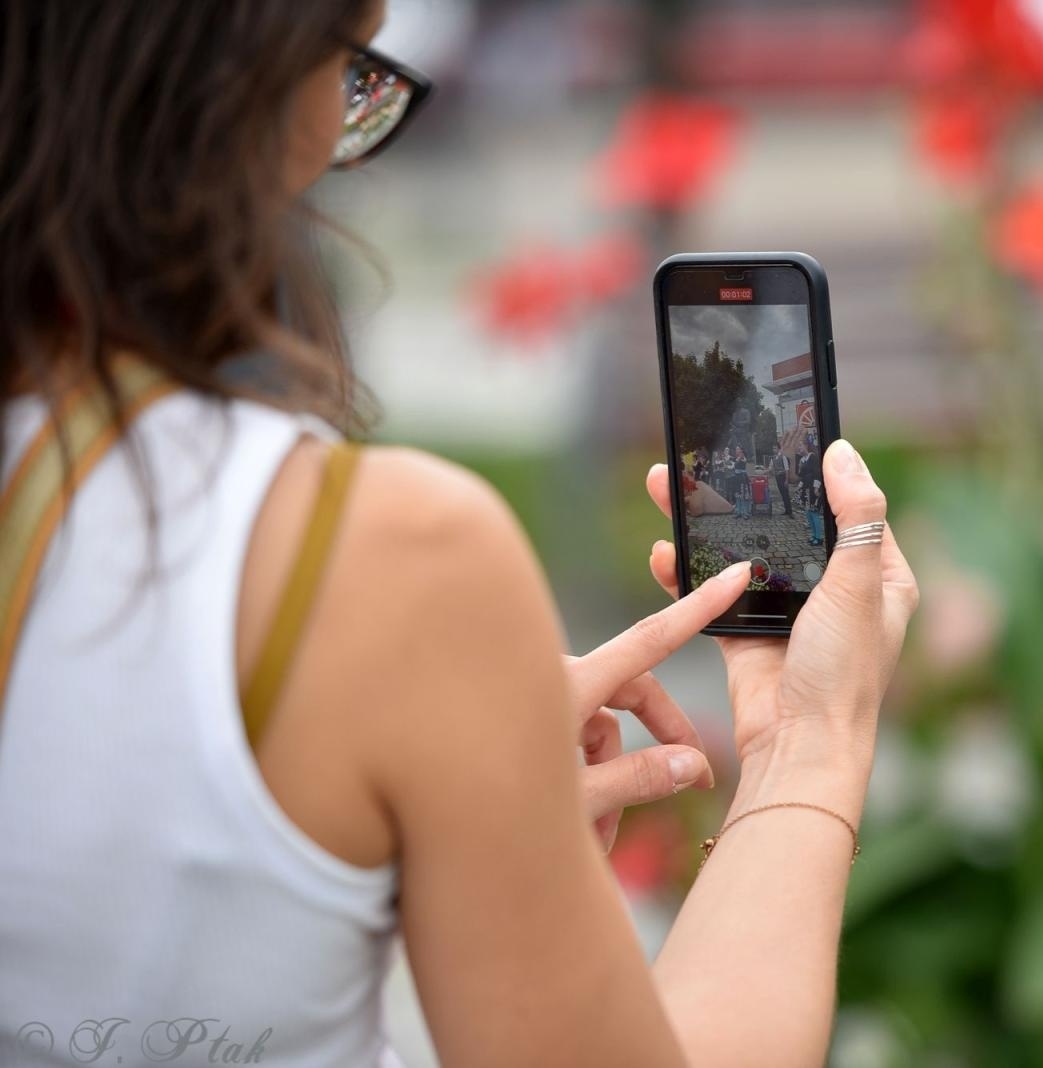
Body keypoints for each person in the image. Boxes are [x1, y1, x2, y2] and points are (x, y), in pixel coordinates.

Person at [0, 4, 919, 1066]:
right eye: (353, 72)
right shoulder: (383, 561)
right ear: (251, 84)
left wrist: (420, 822)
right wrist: (808, 745)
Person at [774, 447, 794, 516]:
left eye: (775, 448)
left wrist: (786, 480)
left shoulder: (783, 457)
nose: (774, 450)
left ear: (778, 449)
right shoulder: (774, 458)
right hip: (778, 478)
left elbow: (786, 469)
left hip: (783, 477)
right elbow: (771, 468)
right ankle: (786, 510)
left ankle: (790, 511)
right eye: (773, 448)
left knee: (786, 495)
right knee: (783, 495)